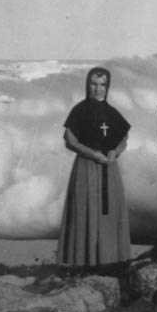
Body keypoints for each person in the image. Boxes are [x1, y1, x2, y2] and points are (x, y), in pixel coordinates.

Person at [57, 67, 132, 267]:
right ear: (87, 85)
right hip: (86, 168)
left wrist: (115, 152)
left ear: (107, 87)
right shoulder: (79, 110)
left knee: (109, 213)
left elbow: (123, 139)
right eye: (93, 84)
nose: (98, 89)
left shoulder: (113, 113)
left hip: (109, 168)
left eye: (102, 85)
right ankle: (84, 261)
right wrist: (92, 154)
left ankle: (110, 260)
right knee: (86, 213)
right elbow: (70, 141)